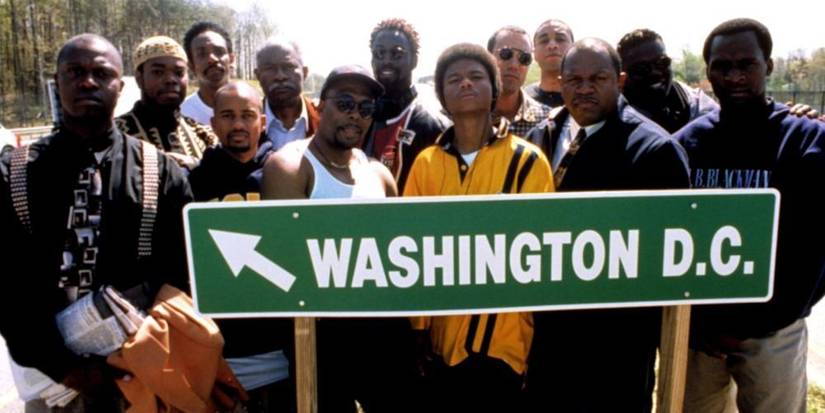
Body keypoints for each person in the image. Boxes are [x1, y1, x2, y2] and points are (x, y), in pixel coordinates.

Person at [0, 34, 192, 412]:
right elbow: (7, 284)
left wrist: (139, 357)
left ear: (120, 87)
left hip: (139, 373)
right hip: (51, 381)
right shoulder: (14, 174)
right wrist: (67, 369)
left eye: (101, 74)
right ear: (58, 83)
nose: (87, 82)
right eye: (75, 72)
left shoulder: (161, 172)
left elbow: (180, 276)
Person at [525, 38, 690, 412]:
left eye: (597, 78)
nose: (584, 89)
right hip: (545, 341)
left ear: (620, 81)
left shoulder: (653, 151)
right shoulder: (542, 136)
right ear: (560, 82)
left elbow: (670, 261)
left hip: (615, 351)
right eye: (574, 79)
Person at [675, 18, 825, 413]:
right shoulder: (687, 144)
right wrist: (704, 325)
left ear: (768, 66)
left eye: (747, 64)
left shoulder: (805, 138)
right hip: (699, 335)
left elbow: (815, 248)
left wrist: (771, 317)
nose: (735, 76)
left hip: (774, 331)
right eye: (722, 66)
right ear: (707, 73)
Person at [404, 43, 553, 412]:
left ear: (495, 89)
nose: (465, 84)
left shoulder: (527, 160)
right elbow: (413, 250)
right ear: (441, 96)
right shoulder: (425, 163)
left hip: (506, 340)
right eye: (453, 79)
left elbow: (540, 253)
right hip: (441, 339)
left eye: (476, 76)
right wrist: (419, 327)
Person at [260, 65, 418, 413]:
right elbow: (291, 265)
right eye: (345, 103)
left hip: (383, 332)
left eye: (365, 108)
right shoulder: (289, 166)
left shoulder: (378, 173)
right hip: (320, 336)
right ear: (319, 106)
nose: (355, 115)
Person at [187, 81, 294, 412]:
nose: (238, 125)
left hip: (282, 349)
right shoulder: (193, 182)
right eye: (228, 115)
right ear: (213, 123)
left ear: (262, 122)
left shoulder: (285, 175)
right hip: (223, 352)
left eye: (248, 115)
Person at [365, 18, 448, 192]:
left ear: (414, 61)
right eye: (379, 53)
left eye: (397, 54)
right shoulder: (360, 117)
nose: (386, 61)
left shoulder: (430, 124)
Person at [116, 36, 218, 171]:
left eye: (179, 73)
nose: (171, 80)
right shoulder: (115, 134)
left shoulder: (205, 136)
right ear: (139, 79)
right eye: (158, 72)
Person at [618, 28, 718, 133]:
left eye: (662, 63)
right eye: (641, 68)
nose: (655, 72)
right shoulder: (612, 120)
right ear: (622, 76)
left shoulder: (700, 107)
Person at [254, 38, 320, 151]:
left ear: (304, 72)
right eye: (270, 69)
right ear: (258, 75)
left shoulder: (323, 119)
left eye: (288, 67)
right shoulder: (246, 123)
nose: (280, 76)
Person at [486, 25, 551, 137]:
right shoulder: (464, 115)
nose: (514, 65)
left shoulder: (547, 121)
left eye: (524, 58)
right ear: (487, 57)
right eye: (506, 54)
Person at [181, 21, 236, 125]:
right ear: (191, 65)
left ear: (231, 59)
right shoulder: (182, 115)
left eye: (219, 51)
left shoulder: (254, 106)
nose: (212, 59)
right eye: (201, 54)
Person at [525, 19, 574, 108]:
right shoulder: (522, 101)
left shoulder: (584, 98)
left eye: (560, 39)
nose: (552, 46)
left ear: (573, 48)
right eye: (544, 41)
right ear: (534, 52)